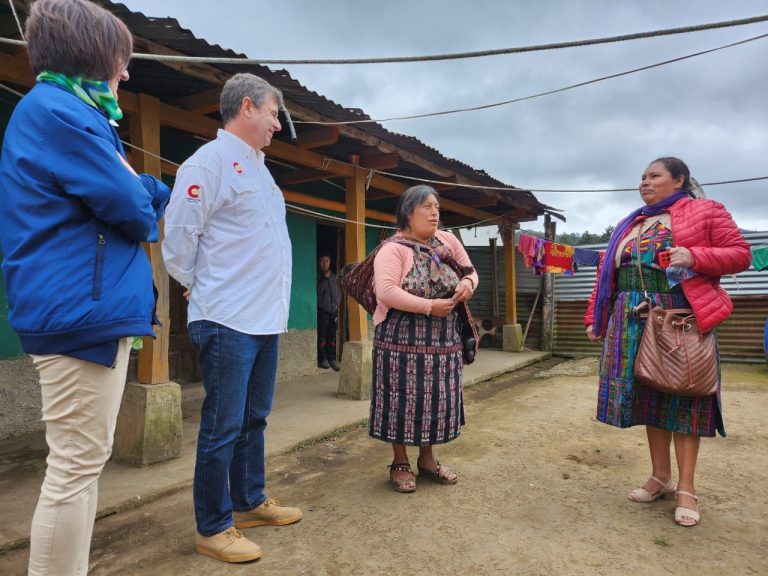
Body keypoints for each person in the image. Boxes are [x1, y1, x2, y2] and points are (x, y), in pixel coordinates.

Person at [0, 1, 171, 574]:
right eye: (121, 61)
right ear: (94, 56)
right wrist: (149, 191)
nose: (125, 73)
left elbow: (127, 195)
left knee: (83, 463)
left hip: (81, 305)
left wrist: (142, 188)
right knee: (75, 466)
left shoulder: (67, 112)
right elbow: (132, 210)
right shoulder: (61, 113)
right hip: (80, 308)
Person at [162, 73, 302, 563]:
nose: (277, 125)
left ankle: (246, 502)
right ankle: (213, 525)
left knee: (254, 418)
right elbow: (179, 238)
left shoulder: (261, 170)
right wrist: (197, 284)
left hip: (264, 317)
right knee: (222, 425)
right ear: (247, 106)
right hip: (226, 316)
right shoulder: (209, 162)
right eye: (272, 113)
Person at [585, 157, 751, 527]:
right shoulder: (632, 223)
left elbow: (740, 254)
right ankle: (660, 476)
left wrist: (695, 255)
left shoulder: (705, 211)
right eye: (642, 177)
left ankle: (687, 489)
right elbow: (607, 272)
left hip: (679, 317)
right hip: (631, 317)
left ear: (679, 180)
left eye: (654, 176)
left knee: (684, 399)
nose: (644, 182)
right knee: (650, 398)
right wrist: (594, 318)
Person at [370, 185, 478, 492]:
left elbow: (470, 271)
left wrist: (469, 284)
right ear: (408, 213)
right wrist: (430, 306)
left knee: (436, 399)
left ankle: (428, 460)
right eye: (427, 207)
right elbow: (387, 291)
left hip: (444, 339)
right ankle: (400, 462)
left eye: (437, 207)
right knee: (401, 398)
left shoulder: (447, 241)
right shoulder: (393, 249)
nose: (435, 213)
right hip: (401, 338)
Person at [317, 254, 341, 370]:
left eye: (327, 261)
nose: (325, 263)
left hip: (334, 311)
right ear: (319, 263)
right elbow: (319, 293)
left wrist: (337, 304)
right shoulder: (318, 277)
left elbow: (338, 292)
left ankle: (332, 359)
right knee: (322, 336)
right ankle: (323, 359)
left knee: (332, 336)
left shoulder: (334, 276)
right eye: (322, 261)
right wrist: (324, 279)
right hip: (323, 311)